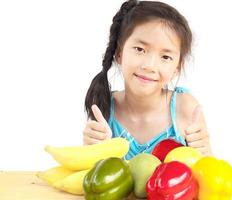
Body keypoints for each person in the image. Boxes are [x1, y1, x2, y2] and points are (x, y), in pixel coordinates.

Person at [82, 0, 212, 160]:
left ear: (176, 68)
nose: (149, 66)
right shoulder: (104, 107)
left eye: (165, 56)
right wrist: (91, 151)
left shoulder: (185, 108)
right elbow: (91, 177)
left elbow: (209, 173)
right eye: (140, 49)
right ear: (119, 53)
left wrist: (205, 151)